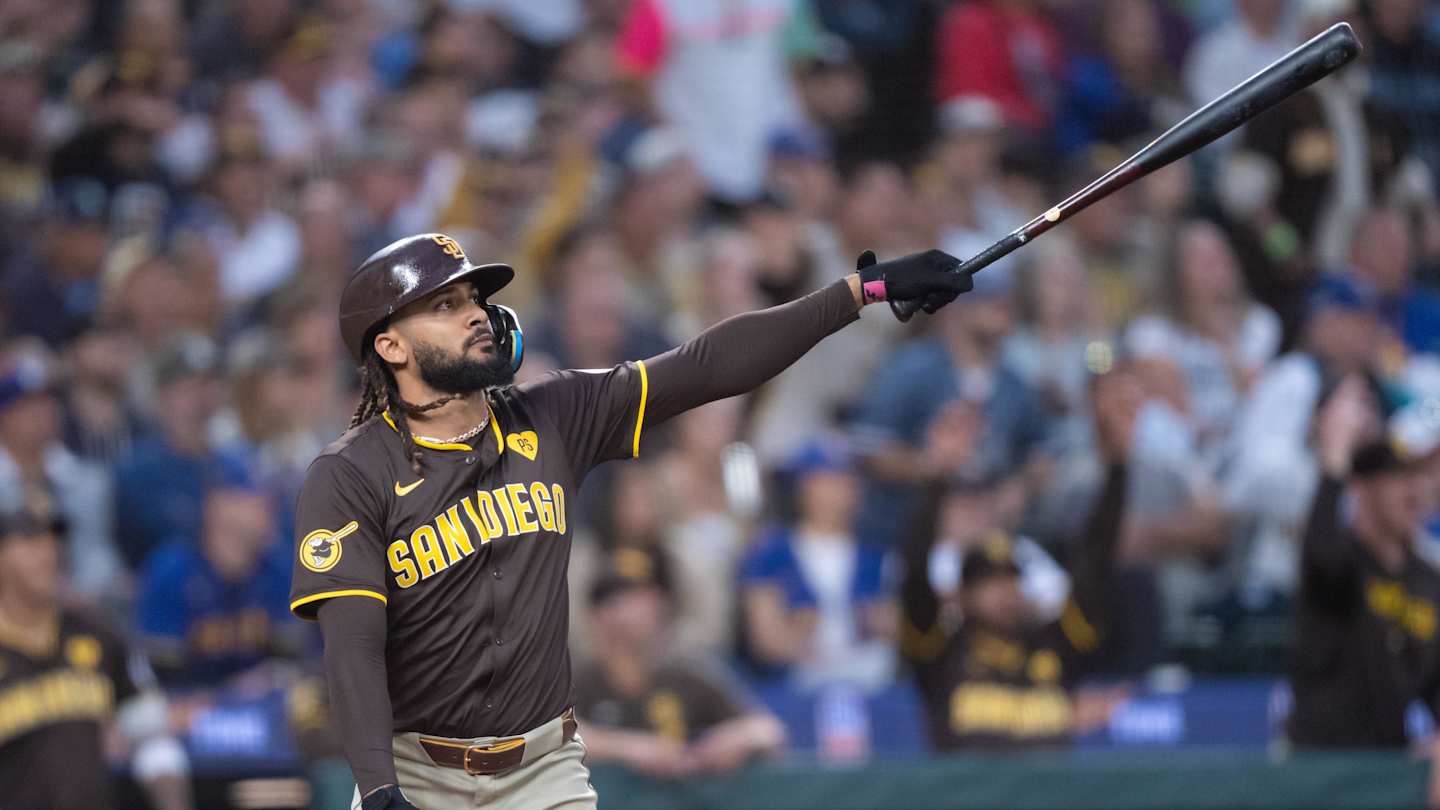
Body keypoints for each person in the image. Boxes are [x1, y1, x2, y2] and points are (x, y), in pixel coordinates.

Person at [289, 232, 971, 809]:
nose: (474, 314)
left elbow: (707, 367)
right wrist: (378, 791)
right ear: (391, 348)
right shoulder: (349, 473)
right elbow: (353, 648)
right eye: (444, 304)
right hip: (415, 773)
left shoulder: (554, 414)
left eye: (474, 298)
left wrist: (860, 293)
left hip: (541, 770)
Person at [897, 369, 1138, 749]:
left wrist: (1118, 468)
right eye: (986, 582)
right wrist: (936, 479)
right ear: (961, 595)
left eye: (1010, 578)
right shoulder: (941, 651)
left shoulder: (1056, 647)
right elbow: (913, 575)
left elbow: (1096, 558)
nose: (1003, 591)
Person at [1288, 375, 1440, 806]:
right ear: (1363, 486)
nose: (1416, 490)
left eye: (1422, 475)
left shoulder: (1427, 578)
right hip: (1321, 779)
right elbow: (1320, 552)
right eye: (1399, 477)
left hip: (1393, 776)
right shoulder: (1341, 561)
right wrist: (1334, 458)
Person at [0, 495, 191, 810]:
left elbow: (152, 738)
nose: (47, 552)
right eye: (30, 540)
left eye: (52, 538)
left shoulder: (97, 634)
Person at [572, 554, 784, 779]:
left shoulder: (689, 671)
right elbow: (553, 737)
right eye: (609, 602)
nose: (622, 613)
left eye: (635, 598)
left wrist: (734, 739)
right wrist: (631, 749)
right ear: (593, 615)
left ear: (661, 605)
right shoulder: (577, 679)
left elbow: (768, 730)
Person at [738, 438, 896, 691]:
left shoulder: (874, 556)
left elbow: (889, 626)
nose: (837, 490)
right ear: (802, 487)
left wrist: (878, 624)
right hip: (792, 680)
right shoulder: (771, 551)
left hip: (862, 675)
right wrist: (798, 640)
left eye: (845, 480)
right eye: (824, 481)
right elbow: (765, 638)